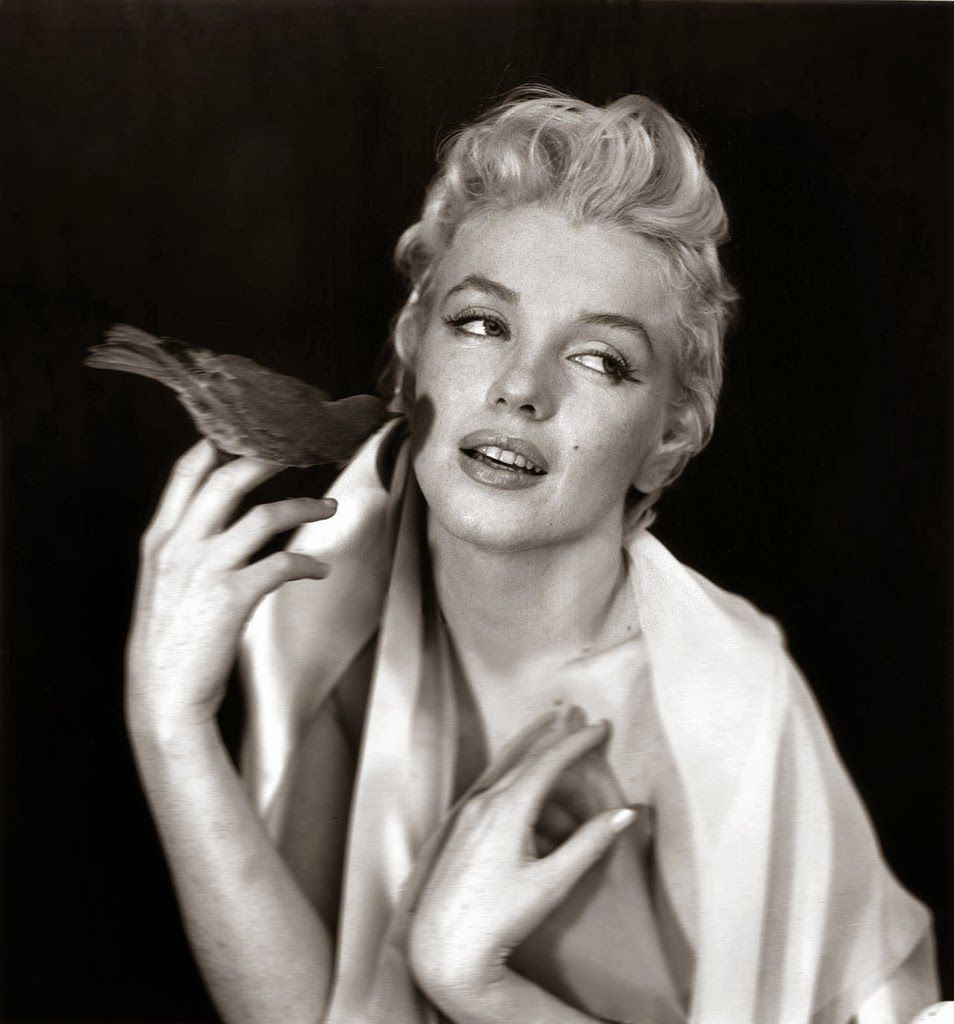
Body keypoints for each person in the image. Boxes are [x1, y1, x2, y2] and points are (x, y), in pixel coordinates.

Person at [125, 86, 940, 1024]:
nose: (520, 387)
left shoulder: (726, 718)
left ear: (668, 438)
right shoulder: (328, 605)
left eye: (600, 359)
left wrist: (480, 987)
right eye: (481, 323)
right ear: (413, 350)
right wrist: (169, 725)